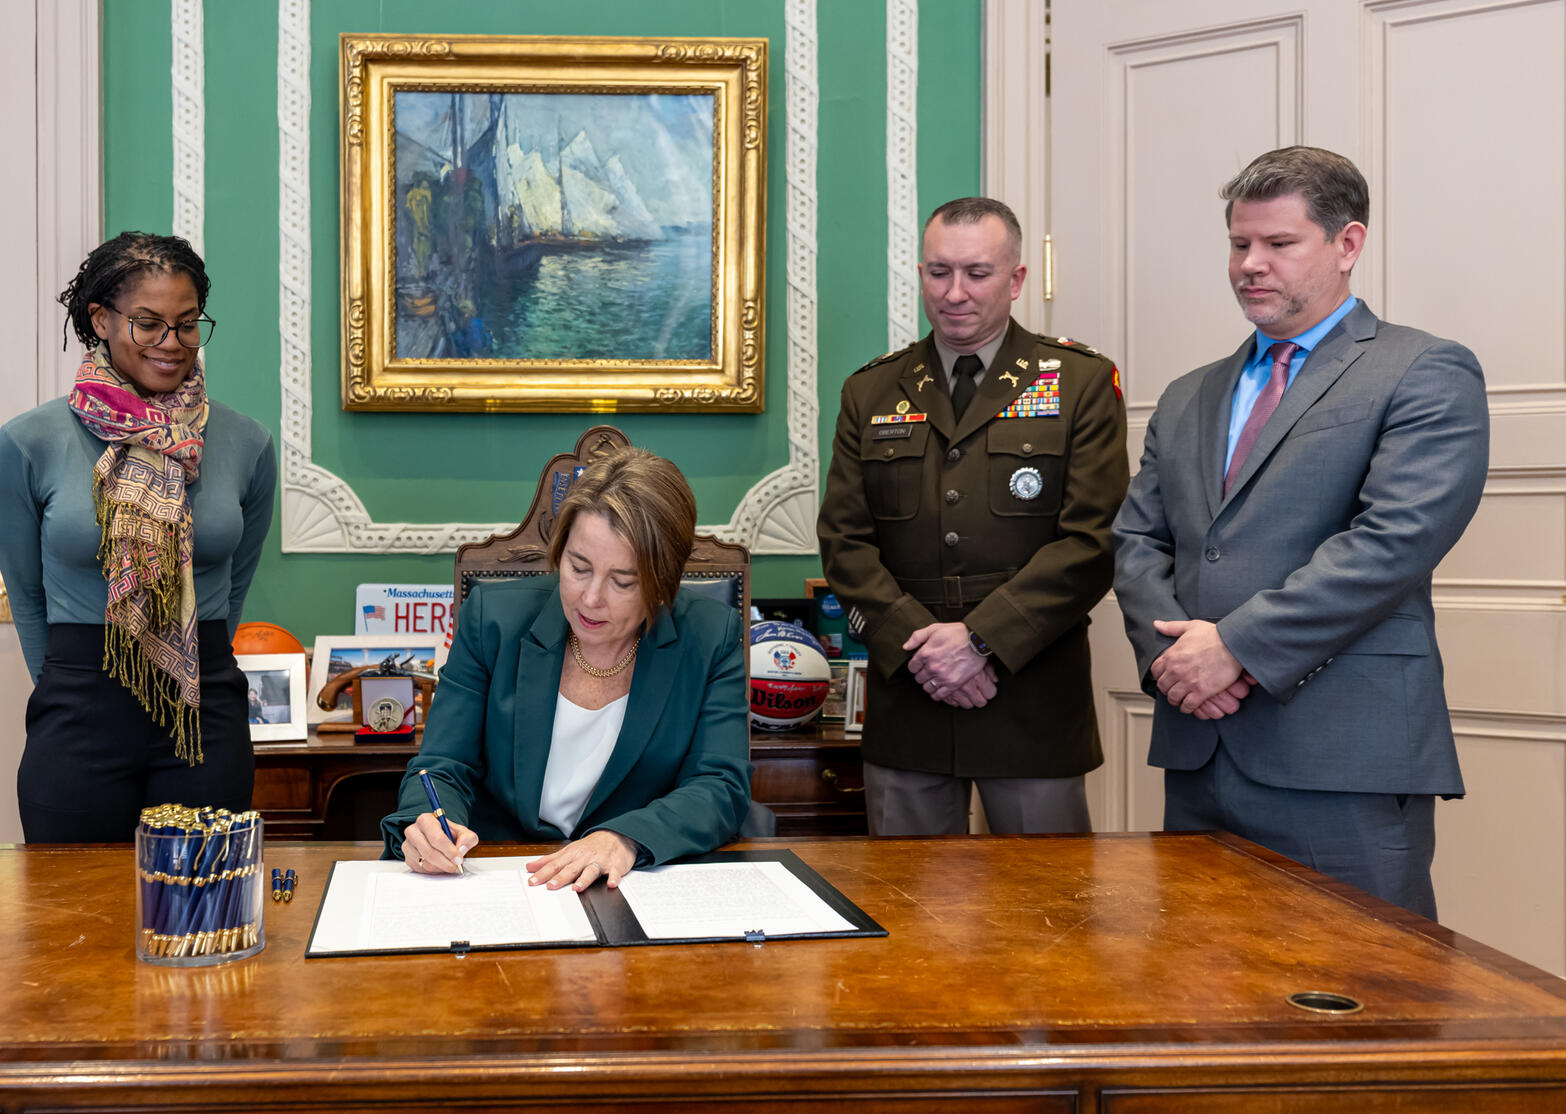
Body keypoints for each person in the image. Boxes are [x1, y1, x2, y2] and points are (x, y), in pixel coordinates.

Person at [1111, 147, 1489, 920]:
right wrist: (1174, 663)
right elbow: (1138, 541)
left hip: (1342, 757)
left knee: (1369, 994)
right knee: (1201, 997)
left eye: (1278, 245)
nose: (1251, 265)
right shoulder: (1188, 395)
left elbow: (1393, 541)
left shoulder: (1423, 371)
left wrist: (1236, 648)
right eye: (1238, 243)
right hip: (1199, 748)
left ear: (1347, 245)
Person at [816, 197, 1129, 836]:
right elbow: (844, 541)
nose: (954, 293)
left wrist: (980, 642)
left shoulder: (1079, 382)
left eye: (977, 273)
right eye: (939, 272)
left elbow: (1092, 540)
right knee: (908, 916)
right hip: (912, 696)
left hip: (1032, 701)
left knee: (1048, 919)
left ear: (1016, 281)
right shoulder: (871, 390)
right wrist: (928, 652)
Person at [0, 232, 277, 842]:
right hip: (81, 707)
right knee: (73, 920)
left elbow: (236, 578)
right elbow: (27, 594)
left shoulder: (246, 442)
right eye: (148, 325)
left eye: (187, 324)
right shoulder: (28, 442)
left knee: (201, 917)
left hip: (205, 710)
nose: (172, 345)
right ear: (102, 319)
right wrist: (76, 688)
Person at [382, 447, 751, 891]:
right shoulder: (492, 619)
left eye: (622, 580)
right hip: (499, 875)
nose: (590, 598)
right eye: (578, 567)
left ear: (662, 583)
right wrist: (427, 824)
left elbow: (720, 784)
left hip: (629, 881)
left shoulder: (710, 636)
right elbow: (441, 766)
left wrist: (625, 839)